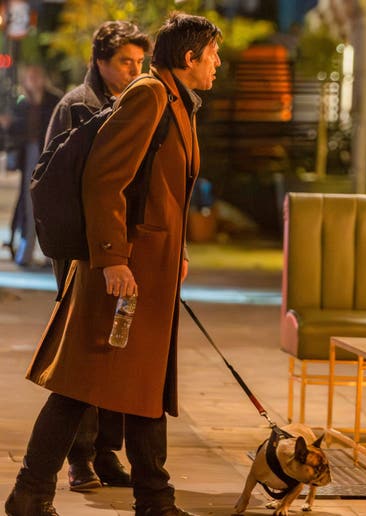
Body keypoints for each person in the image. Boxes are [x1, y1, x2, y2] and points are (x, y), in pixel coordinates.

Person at [4, 12, 221, 516]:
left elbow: (162, 192)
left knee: (140, 384)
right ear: (189, 57)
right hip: (123, 272)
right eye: (213, 56)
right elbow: (105, 180)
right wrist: (112, 259)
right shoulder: (150, 95)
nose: (217, 65)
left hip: (147, 271)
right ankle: (34, 492)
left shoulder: (177, 100)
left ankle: (151, 497)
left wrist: (178, 251)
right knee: (82, 383)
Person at [42, 20, 152, 493]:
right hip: (83, 246)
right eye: (125, 61)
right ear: (100, 61)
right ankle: (80, 457)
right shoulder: (79, 106)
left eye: (140, 62)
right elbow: (64, 182)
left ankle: (107, 451)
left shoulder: (136, 101)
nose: (134, 70)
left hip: (117, 245)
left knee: (115, 346)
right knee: (84, 351)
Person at [6, 64, 61, 267]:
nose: (34, 80)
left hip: (49, 156)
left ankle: (49, 255)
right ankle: (26, 251)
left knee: (48, 204)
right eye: (30, 76)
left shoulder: (55, 100)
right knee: (28, 205)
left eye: (36, 75)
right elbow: (15, 131)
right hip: (29, 155)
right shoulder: (21, 102)